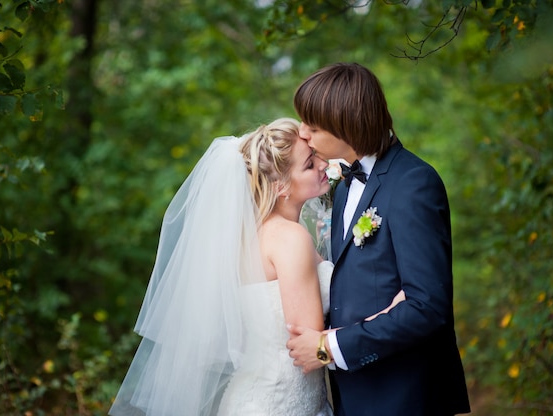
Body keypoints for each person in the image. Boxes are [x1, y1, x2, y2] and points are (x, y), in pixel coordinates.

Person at [109, 118, 335, 416]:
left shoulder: (245, 238)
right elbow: (308, 344)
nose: (324, 164)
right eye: (309, 164)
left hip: (250, 399)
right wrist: (387, 315)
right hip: (281, 404)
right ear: (280, 186)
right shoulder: (289, 238)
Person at [286, 62, 471, 415]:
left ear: (346, 125)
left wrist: (330, 346)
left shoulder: (412, 184)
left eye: (313, 125)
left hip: (402, 395)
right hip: (351, 394)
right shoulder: (341, 187)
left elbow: (427, 308)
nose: (303, 133)